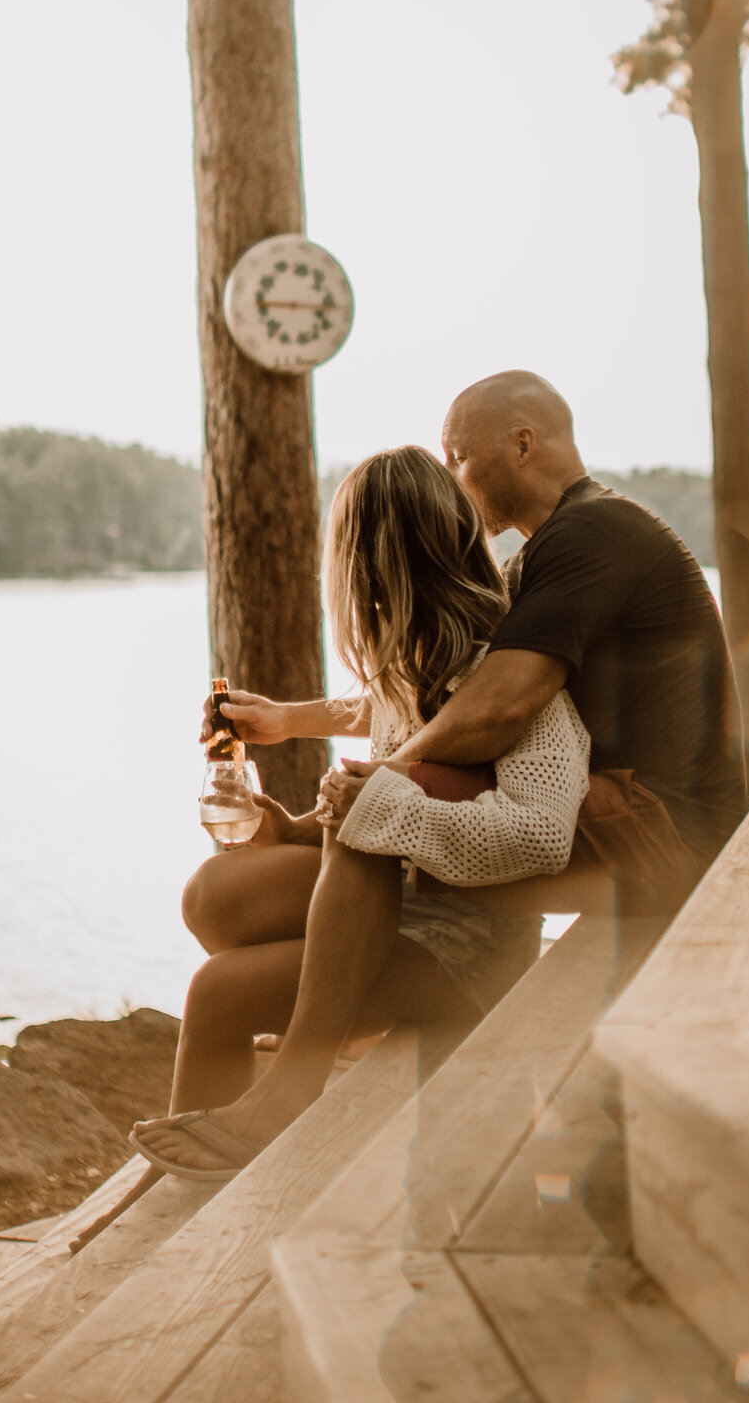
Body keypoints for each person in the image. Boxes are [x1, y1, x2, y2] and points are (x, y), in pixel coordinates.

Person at [133, 369, 746, 1178]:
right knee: (223, 894)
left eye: (459, 456)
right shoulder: (542, 562)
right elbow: (449, 696)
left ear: (520, 443)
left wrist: (365, 793)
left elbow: (500, 704)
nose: (455, 479)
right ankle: (332, 995)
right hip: (609, 815)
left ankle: (300, 1073)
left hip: (664, 830)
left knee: (380, 803)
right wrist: (292, 733)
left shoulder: (587, 537)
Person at [131, 443, 589, 1177]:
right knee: (213, 894)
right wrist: (284, 822)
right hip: (395, 915)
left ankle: (280, 1098)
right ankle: (219, 1155)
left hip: (470, 951)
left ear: (365, 567)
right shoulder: (407, 666)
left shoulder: (512, 678)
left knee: (218, 991)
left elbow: (541, 836)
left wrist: (380, 808)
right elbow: (382, 737)